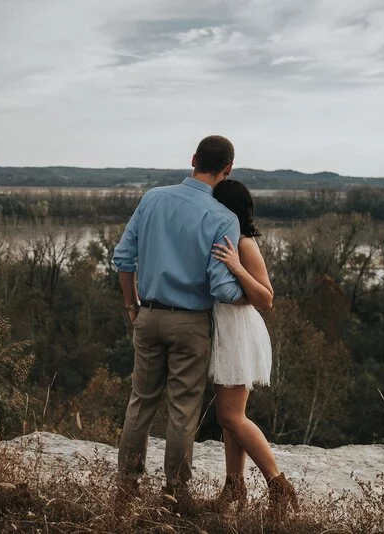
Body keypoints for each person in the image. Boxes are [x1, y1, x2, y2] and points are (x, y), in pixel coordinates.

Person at [112, 135, 243, 510]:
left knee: (141, 403)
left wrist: (132, 307)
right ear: (228, 169)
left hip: (149, 315)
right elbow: (221, 286)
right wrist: (249, 293)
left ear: (193, 159)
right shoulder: (224, 219)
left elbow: (123, 258)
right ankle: (174, 491)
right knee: (183, 410)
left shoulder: (153, 198)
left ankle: (127, 487)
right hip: (191, 325)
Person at [208, 179, 298, 520]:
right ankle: (234, 486)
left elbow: (266, 299)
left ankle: (278, 484)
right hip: (223, 329)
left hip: (238, 332)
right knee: (227, 417)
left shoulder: (244, 244)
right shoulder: (226, 238)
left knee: (231, 415)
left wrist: (236, 267)